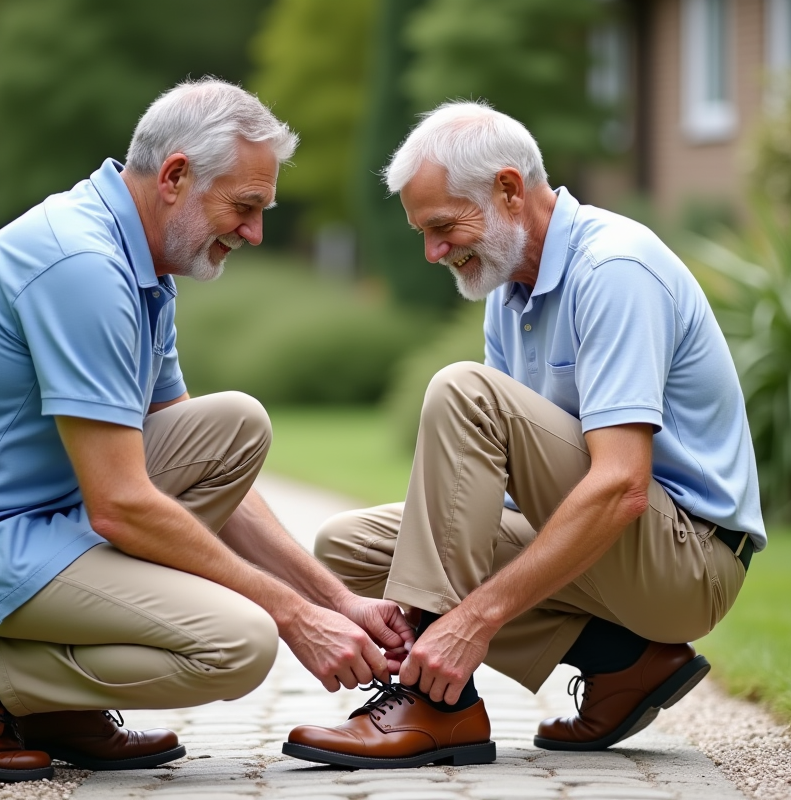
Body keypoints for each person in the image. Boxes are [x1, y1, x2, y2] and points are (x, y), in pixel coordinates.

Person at [0, 78, 412, 783]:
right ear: (175, 177)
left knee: (234, 427)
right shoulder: (82, 266)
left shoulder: (145, 269)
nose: (254, 233)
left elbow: (201, 459)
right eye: (245, 208)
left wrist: (334, 600)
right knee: (240, 643)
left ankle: (51, 704)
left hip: (47, 520)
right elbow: (121, 503)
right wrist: (289, 615)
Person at [284, 102, 764, 770]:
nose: (432, 252)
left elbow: (622, 484)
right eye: (423, 232)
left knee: (463, 390)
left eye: (443, 226)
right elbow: (493, 497)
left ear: (509, 189)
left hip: (688, 560)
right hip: (617, 559)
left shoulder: (614, 269)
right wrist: (442, 602)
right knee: (348, 552)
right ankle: (628, 664)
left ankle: (438, 708)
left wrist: (471, 621)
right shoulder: (507, 294)